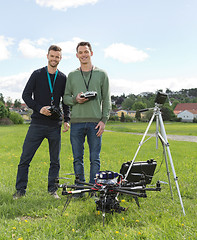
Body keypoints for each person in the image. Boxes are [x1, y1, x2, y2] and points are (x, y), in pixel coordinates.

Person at [13, 45, 70, 200]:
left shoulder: (63, 78)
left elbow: (65, 101)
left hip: (54, 125)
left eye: (57, 57)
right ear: (47, 56)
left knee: (55, 161)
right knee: (25, 158)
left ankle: (53, 190)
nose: (54, 59)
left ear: (60, 58)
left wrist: (67, 119)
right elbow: (25, 95)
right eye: (52, 56)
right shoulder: (37, 74)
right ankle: (20, 191)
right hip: (37, 124)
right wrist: (39, 109)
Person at [63, 41, 111, 189]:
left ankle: (94, 188)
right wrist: (75, 100)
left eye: (86, 51)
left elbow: (106, 99)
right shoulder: (72, 75)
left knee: (94, 159)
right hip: (76, 123)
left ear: (91, 53)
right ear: (77, 55)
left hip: (95, 123)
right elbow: (65, 98)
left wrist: (103, 121)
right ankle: (80, 187)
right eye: (81, 52)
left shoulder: (102, 74)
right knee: (77, 159)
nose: (84, 55)